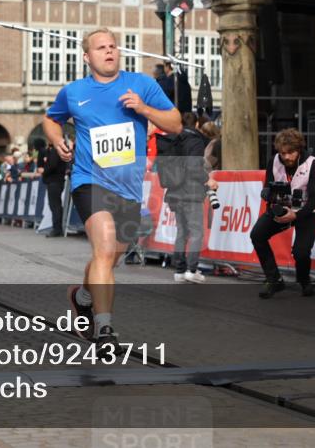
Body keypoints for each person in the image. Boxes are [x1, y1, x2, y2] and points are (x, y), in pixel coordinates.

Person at [43, 27, 181, 352]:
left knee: (109, 259)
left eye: (113, 46)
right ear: (87, 57)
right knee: (104, 251)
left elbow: (175, 123)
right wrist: (57, 139)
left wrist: (144, 109)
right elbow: (51, 118)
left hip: (129, 190)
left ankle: (83, 297)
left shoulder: (142, 84)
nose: (109, 52)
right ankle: (105, 330)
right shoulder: (73, 92)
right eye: (101, 48)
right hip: (90, 180)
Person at [249, 128, 315, 298]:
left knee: (301, 252)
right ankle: (274, 279)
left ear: (299, 149)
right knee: (257, 235)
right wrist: (266, 193)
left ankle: (304, 281)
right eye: (283, 153)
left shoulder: (312, 164)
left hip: (305, 212)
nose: (287, 157)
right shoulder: (274, 160)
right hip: (281, 208)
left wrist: (296, 215)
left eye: (291, 152)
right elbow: (267, 185)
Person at [156, 112, 218, 283]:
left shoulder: (175, 138)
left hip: (174, 191)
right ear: (197, 123)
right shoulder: (196, 140)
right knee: (197, 232)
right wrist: (208, 180)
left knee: (182, 232)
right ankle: (192, 269)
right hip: (191, 193)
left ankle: (179, 270)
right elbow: (193, 167)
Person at [36, 138, 69, 238]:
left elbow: (53, 165)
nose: (48, 139)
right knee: (55, 205)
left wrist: (44, 171)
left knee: (55, 205)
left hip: (55, 180)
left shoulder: (56, 150)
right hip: (55, 180)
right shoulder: (53, 150)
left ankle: (57, 229)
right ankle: (57, 227)